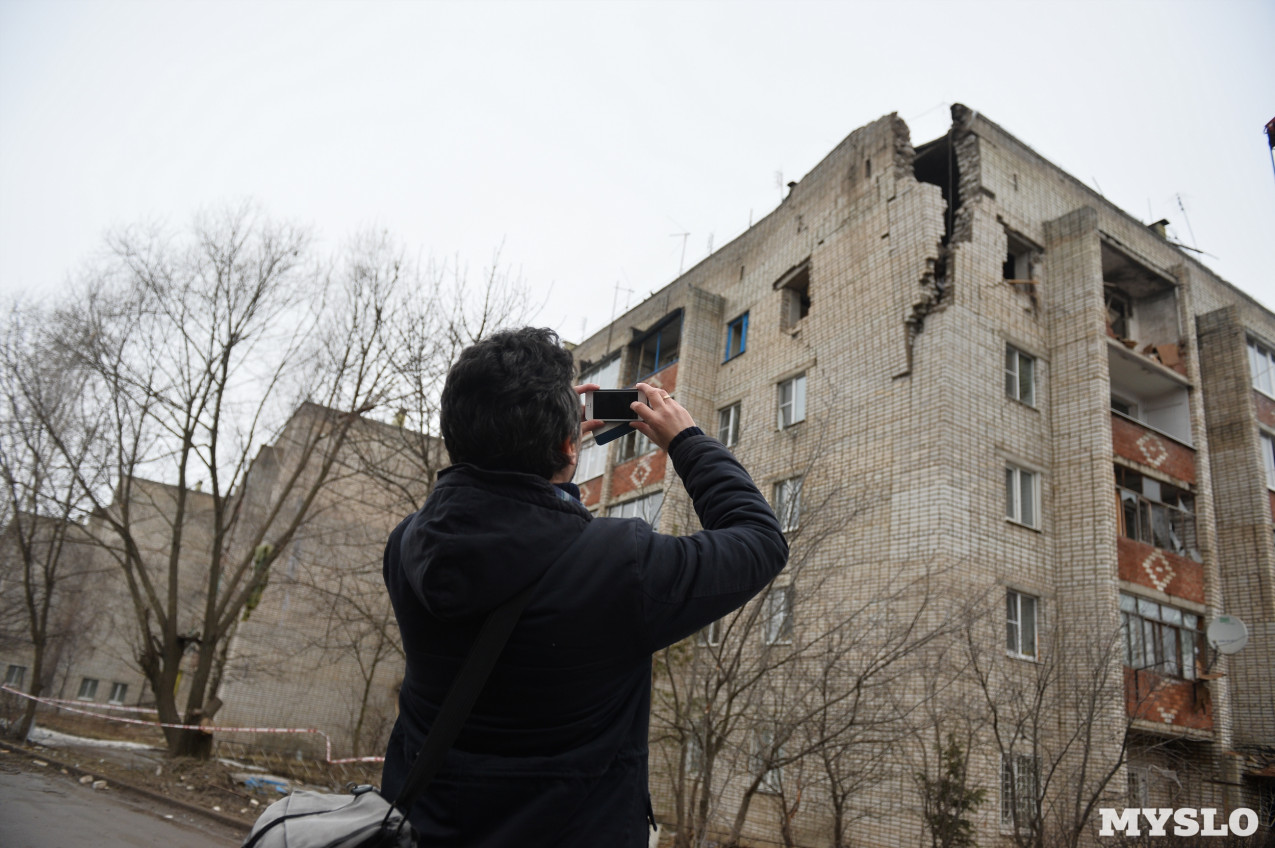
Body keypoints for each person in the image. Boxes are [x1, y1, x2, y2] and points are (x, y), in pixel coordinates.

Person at [381, 326, 788, 847]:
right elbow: (760, 540)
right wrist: (686, 440)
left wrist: (550, 457)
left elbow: (518, 531)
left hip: (428, 832)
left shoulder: (407, 545)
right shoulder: (621, 566)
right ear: (568, 444)